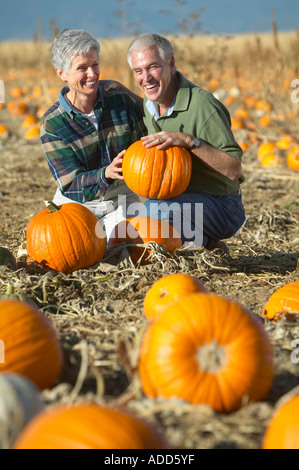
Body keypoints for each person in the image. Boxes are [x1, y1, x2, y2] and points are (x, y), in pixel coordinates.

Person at [126, 33, 246, 253]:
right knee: (138, 216)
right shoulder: (149, 103)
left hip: (222, 205)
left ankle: (201, 246)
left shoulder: (202, 106)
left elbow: (234, 169)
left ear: (171, 64)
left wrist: (189, 141)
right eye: (138, 71)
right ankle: (207, 244)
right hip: (181, 200)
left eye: (153, 67)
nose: (146, 78)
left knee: (153, 213)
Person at [40, 29, 145, 244]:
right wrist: (105, 173)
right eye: (82, 68)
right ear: (62, 73)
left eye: (95, 64)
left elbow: (149, 137)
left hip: (121, 197)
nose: (92, 74)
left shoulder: (120, 100)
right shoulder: (53, 123)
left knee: (134, 242)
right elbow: (70, 185)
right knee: (71, 248)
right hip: (78, 202)